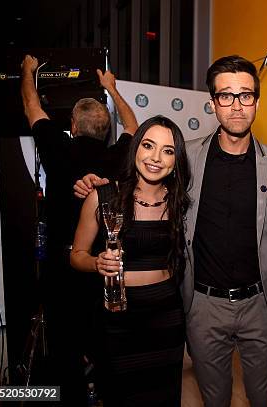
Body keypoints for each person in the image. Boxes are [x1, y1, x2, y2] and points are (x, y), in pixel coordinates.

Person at [180, 55, 267, 407]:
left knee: (263, 397)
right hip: (203, 305)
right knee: (214, 399)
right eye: (226, 96)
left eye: (245, 96)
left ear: (257, 103)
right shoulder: (186, 158)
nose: (236, 106)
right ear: (212, 102)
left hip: (260, 305)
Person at [21, 54, 137, 404]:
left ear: (73, 123)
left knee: (65, 359)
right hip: (103, 272)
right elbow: (132, 124)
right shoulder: (117, 156)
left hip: (62, 273)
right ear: (105, 131)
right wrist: (112, 89)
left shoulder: (58, 148)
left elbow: (30, 104)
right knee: (106, 356)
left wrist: (28, 71)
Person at [70, 115, 189, 406]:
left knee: (164, 398)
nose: (156, 158)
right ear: (135, 147)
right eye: (148, 145)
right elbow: (76, 255)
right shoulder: (103, 196)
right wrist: (96, 263)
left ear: (176, 160)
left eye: (168, 150)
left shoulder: (181, 201)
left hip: (166, 318)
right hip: (117, 319)